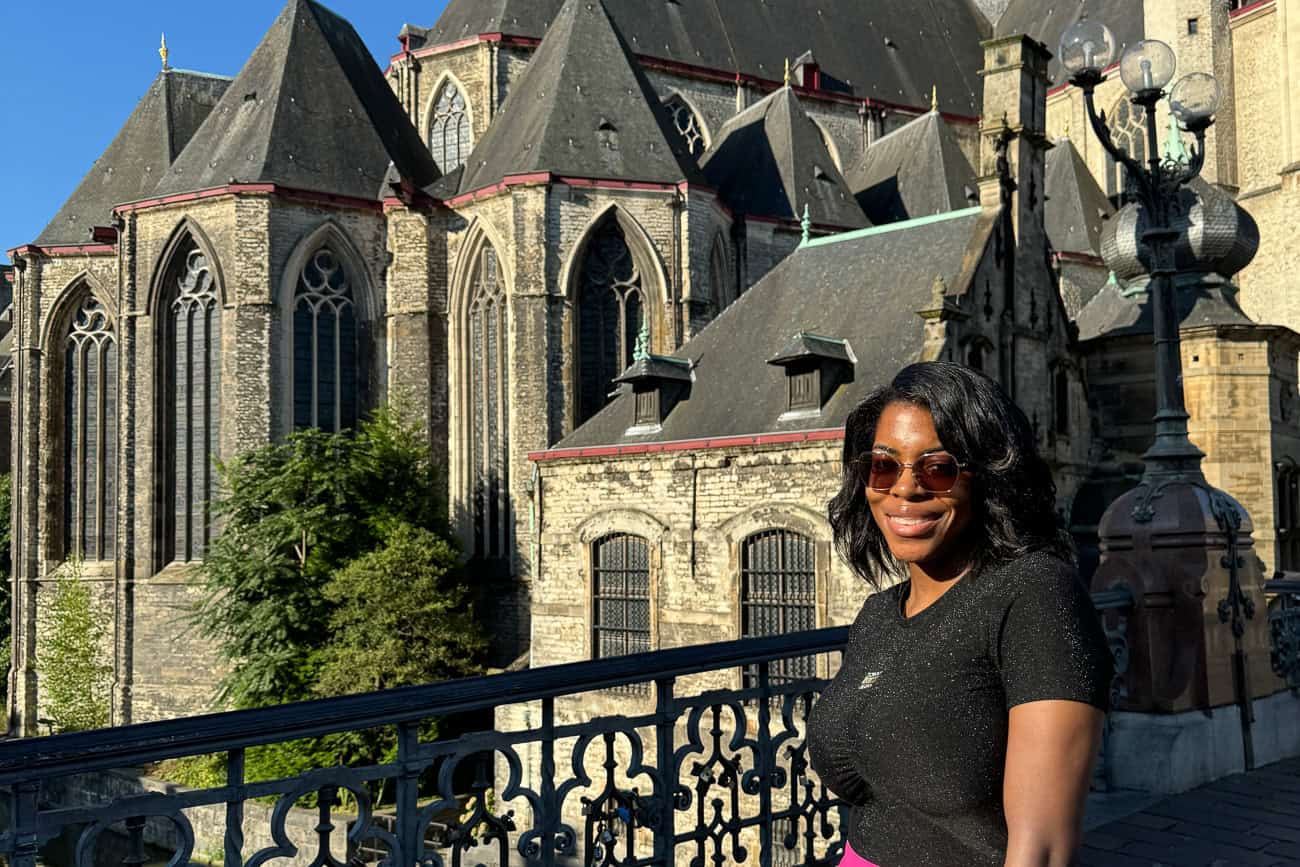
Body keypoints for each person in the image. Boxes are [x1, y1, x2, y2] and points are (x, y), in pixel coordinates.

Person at [808, 361, 1114, 867]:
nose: (904, 489)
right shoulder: (878, 616)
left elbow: (1042, 849)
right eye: (883, 465)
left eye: (939, 467)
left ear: (989, 478)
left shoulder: (1035, 593)